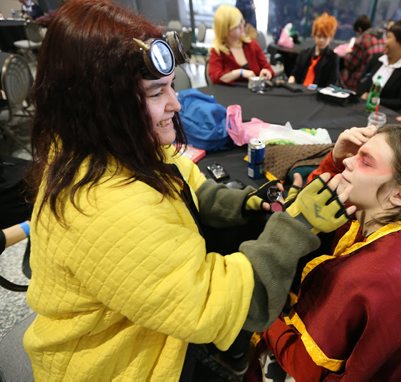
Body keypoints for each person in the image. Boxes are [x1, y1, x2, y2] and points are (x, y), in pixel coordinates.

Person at [23, 1, 353, 380]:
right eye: (155, 92)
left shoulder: (117, 144)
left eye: (172, 86)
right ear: (100, 102)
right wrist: (295, 225)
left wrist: (242, 202)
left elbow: (189, 188)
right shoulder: (106, 206)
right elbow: (231, 306)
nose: (175, 104)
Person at [246, 124, 401, 381]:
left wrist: (263, 318)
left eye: (365, 161)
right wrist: (335, 161)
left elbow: (305, 368)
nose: (349, 161)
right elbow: (314, 204)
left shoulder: (363, 277)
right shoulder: (396, 225)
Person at [357, 19, 401, 112]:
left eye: (388, 37)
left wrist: (375, 100)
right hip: (360, 110)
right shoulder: (377, 59)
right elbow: (362, 83)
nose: (384, 41)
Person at [208, 4, 273, 85]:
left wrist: (267, 72)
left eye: (242, 22)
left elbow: (268, 69)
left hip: (254, 94)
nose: (242, 27)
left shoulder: (252, 45)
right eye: (237, 27)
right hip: (229, 96)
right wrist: (240, 72)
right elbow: (216, 78)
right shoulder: (217, 51)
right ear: (225, 31)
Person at [287, 12, 340, 88]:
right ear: (314, 35)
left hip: (318, 96)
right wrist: (291, 79)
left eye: (325, 37)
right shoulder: (304, 54)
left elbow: (332, 83)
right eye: (319, 36)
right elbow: (294, 74)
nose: (321, 40)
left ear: (330, 38)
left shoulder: (333, 58)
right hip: (299, 92)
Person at [341, 15, 385, 91]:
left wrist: (348, 53)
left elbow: (351, 64)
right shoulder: (381, 39)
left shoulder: (362, 40)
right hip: (377, 81)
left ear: (359, 30)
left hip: (359, 82)